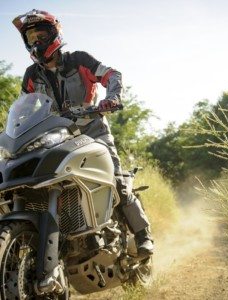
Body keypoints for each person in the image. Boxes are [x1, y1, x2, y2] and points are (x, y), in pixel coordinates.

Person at [12, 9, 153, 257]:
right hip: (58, 138)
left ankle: (143, 235)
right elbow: (24, 108)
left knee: (117, 182)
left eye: (40, 35)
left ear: (54, 34)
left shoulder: (79, 60)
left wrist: (112, 96)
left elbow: (111, 74)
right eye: (31, 38)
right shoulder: (32, 75)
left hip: (93, 131)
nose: (36, 42)